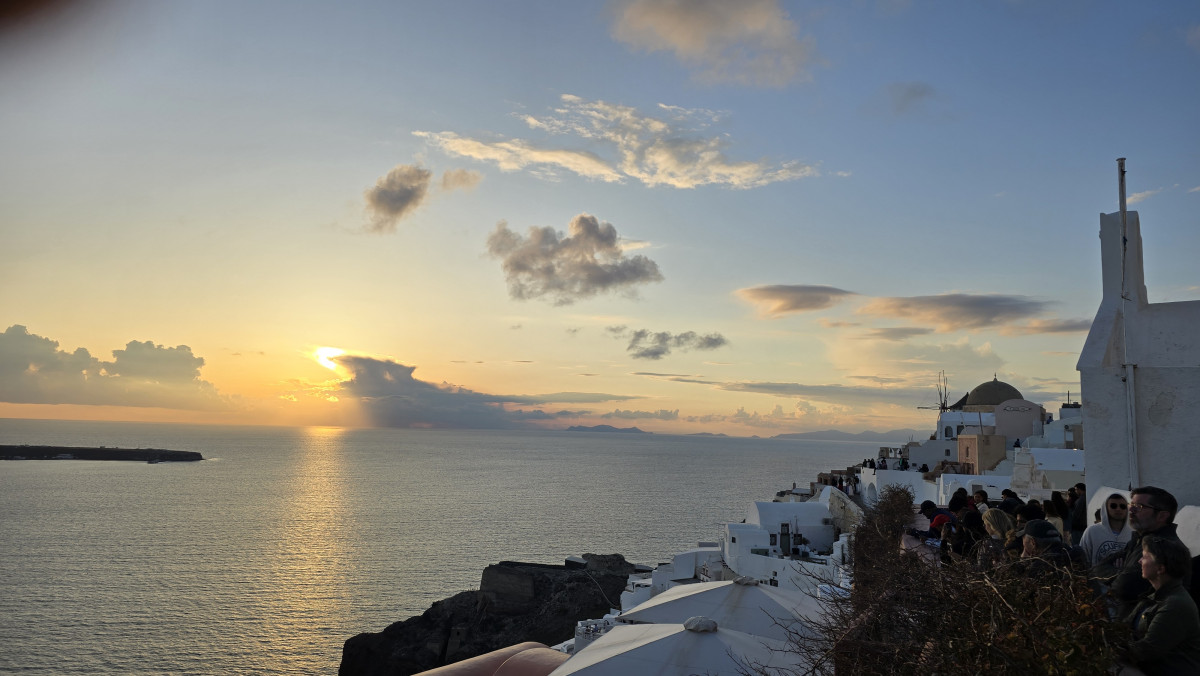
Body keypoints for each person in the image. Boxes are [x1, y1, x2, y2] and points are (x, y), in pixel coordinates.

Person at [1107, 486, 1191, 619]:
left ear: (1162, 516)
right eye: (1131, 505)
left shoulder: (1164, 548)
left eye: (1139, 507)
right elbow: (1099, 567)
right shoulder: (1138, 539)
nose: (1131, 510)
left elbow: (1122, 589)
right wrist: (1121, 573)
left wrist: (1119, 572)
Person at [1121, 536, 1200, 675]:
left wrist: (1106, 648)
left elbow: (1145, 651)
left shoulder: (1176, 604)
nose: (1139, 561)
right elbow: (1124, 628)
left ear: (1160, 568)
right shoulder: (1154, 596)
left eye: (1145, 557)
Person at [1078, 492, 1133, 574]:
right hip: (1096, 579)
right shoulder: (1092, 531)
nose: (1118, 509)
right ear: (1106, 508)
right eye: (1113, 506)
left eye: (1123, 506)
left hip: (1125, 580)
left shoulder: (1133, 533)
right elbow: (1083, 558)